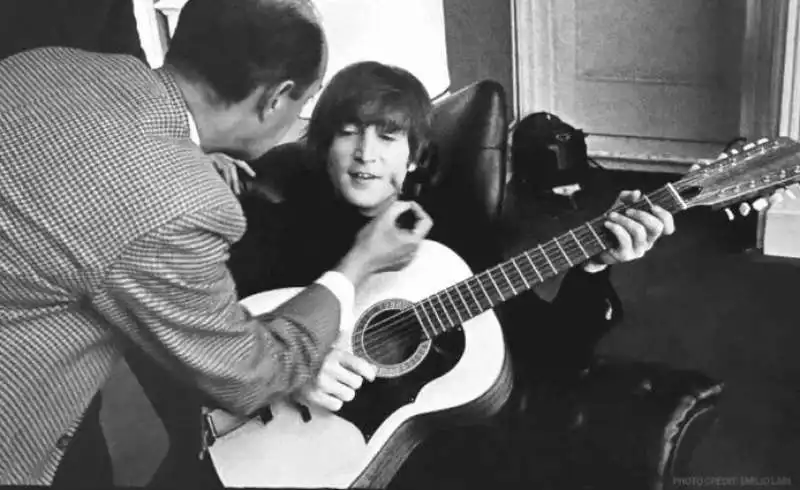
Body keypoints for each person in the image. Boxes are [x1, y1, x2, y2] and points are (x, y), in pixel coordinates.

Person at [0, 0, 433, 487]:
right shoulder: (183, 202)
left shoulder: (44, 63)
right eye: (307, 106)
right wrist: (358, 265)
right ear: (276, 99)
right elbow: (250, 374)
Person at [226, 60, 676, 487]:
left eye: (388, 137)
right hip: (287, 444)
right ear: (324, 147)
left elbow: (549, 351)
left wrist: (593, 266)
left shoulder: (452, 237)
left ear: (415, 157)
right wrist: (294, 365)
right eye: (348, 134)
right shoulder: (279, 222)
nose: (366, 154)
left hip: (411, 447)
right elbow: (210, 331)